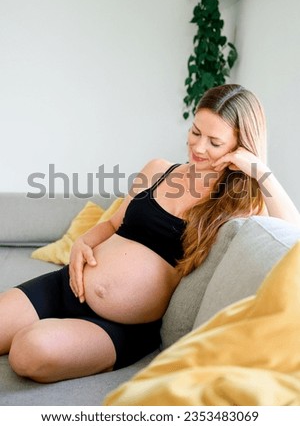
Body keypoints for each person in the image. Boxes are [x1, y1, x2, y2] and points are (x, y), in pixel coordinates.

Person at [1, 84, 299, 383]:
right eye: (195, 132)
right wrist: (83, 241)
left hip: (118, 326)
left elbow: (292, 236)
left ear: (240, 147)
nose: (198, 147)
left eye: (214, 142)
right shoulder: (159, 169)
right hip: (66, 285)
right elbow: (114, 224)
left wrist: (259, 171)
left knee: (27, 352)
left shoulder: (239, 206)